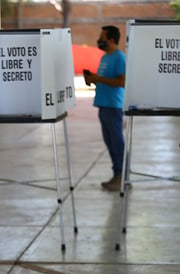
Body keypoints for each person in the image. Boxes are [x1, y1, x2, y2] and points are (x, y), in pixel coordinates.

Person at [84, 25, 126, 191]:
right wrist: (92, 79)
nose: (99, 40)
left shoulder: (119, 58)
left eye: (102, 38)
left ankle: (122, 177)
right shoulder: (105, 57)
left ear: (111, 40)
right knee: (110, 142)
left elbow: (122, 82)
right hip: (103, 105)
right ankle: (117, 175)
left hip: (113, 106)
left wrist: (99, 79)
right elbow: (103, 79)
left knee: (116, 143)